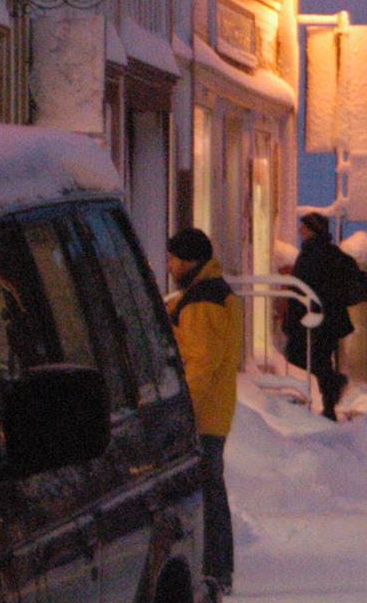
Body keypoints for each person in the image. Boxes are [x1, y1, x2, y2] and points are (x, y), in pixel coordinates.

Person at [166, 229, 241, 598]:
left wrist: (183, 412)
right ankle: (219, 567)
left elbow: (199, 365)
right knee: (213, 490)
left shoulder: (201, 303)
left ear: (190, 261)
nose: (170, 266)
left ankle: (214, 569)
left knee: (209, 493)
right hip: (215, 409)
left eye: (174, 259)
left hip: (203, 414)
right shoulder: (213, 294)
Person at [284, 212, 367, 421]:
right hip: (328, 319)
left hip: (313, 319)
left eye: (303, 227)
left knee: (306, 359)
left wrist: (291, 319)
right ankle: (329, 402)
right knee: (319, 361)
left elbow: (301, 289)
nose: (300, 231)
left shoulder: (313, 253)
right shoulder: (332, 253)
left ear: (312, 230)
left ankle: (332, 391)